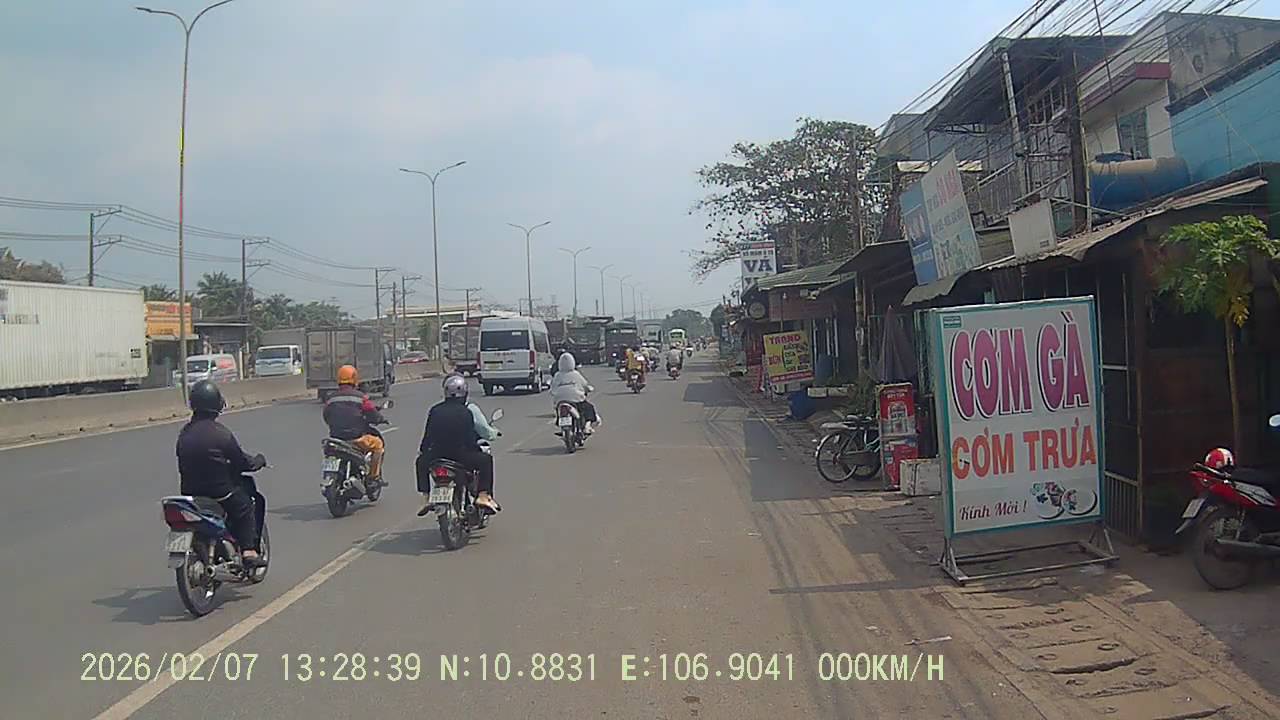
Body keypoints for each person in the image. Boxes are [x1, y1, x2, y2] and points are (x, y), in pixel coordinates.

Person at [176, 380, 268, 566]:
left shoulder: (184, 433)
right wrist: (259, 460)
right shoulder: (221, 433)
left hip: (191, 493)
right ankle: (249, 551)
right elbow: (242, 462)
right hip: (220, 493)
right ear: (217, 404)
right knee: (246, 506)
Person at [417, 374, 498, 515]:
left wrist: (424, 452)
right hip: (460, 456)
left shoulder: (435, 410)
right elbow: (469, 440)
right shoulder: (466, 412)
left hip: (437, 456)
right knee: (486, 460)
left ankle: (425, 497)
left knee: (420, 462)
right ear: (464, 393)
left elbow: (427, 437)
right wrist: (477, 450)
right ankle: (483, 496)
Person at [322, 365, 389, 484]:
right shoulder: (360, 397)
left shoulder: (331, 398)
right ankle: (374, 477)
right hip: (356, 439)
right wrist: (380, 419)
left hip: (336, 439)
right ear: (354, 378)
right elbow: (372, 413)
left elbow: (326, 415)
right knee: (378, 445)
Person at [550, 352, 600, 433]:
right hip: (576, 399)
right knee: (589, 408)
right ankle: (587, 426)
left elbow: (552, 389)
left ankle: (560, 422)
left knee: (557, 410)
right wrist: (588, 389)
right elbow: (585, 385)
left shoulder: (557, 375)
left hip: (560, 401)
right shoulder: (576, 374)